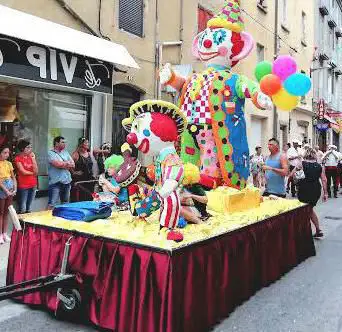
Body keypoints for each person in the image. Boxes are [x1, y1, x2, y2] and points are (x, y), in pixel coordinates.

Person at [291, 148, 327, 238]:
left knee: (306, 210)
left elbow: (292, 174)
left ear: (305, 154)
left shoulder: (301, 164)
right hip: (315, 190)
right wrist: (325, 193)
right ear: (315, 155)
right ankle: (318, 230)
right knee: (309, 209)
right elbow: (324, 180)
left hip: (304, 189)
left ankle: (304, 232)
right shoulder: (319, 166)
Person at [48, 136, 75, 209]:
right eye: (62, 142)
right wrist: (66, 164)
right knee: (52, 204)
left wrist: (63, 164)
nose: (64, 144)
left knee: (65, 203)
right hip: (55, 182)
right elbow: (57, 164)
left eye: (65, 142)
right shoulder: (50, 153)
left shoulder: (65, 152)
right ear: (56, 143)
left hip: (66, 181)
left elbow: (73, 164)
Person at [14, 140, 38, 214]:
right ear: (22, 148)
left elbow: (36, 171)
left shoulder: (31, 157)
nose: (30, 149)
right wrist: (32, 173)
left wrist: (33, 159)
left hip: (33, 184)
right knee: (23, 208)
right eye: (27, 147)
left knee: (29, 207)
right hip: (23, 185)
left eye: (30, 147)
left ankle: (27, 225)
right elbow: (23, 171)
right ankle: (20, 225)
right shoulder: (18, 158)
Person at [0, 145, 17, 244]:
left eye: (8, 153)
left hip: (10, 186)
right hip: (2, 188)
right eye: (4, 152)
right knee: (1, 212)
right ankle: (0, 234)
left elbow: (13, 177)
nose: (7, 154)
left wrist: (15, 188)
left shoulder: (9, 163)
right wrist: (6, 190)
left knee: (7, 211)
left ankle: (4, 233)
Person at [71, 137, 95, 202]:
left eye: (88, 142)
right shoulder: (76, 154)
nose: (88, 144)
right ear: (81, 144)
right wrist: (74, 172)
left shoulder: (89, 153)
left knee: (89, 198)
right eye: (86, 143)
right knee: (79, 199)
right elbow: (69, 165)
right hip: (80, 181)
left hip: (89, 180)